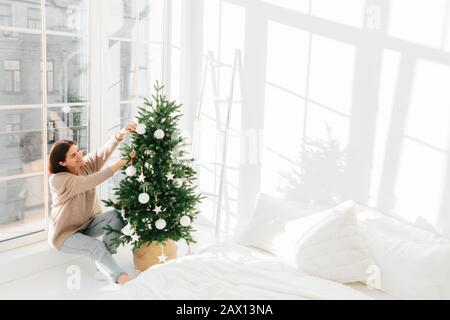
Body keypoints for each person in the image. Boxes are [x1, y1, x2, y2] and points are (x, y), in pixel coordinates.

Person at [47, 122, 137, 285]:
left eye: (77, 151)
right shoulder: (58, 180)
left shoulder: (83, 165)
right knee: (96, 247)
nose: (79, 156)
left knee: (116, 216)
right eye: (73, 155)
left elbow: (101, 154)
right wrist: (122, 163)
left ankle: (102, 269)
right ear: (62, 163)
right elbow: (90, 181)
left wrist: (121, 134)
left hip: (87, 224)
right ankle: (122, 279)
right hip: (65, 235)